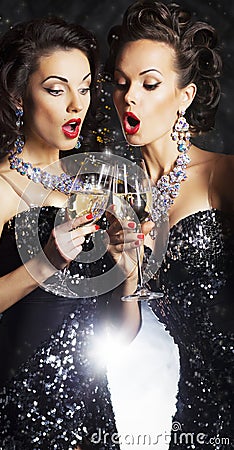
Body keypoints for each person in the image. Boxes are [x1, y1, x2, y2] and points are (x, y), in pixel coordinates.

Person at [0, 17, 142, 449]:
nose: (77, 104)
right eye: (57, 90)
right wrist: (46, 263)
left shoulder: (87, 191)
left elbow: (119, 334)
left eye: (86, 87)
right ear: (19, 96)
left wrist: (128, 274)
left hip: (92, 406)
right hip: (19, 404)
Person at [106, 0, 234, 447]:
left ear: (185, 96)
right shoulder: (119, 198)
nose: (130, 97)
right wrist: (126, 274)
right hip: (195, 406)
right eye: (121, 84)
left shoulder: (222, 176)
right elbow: (121, 334)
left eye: (150, 83)